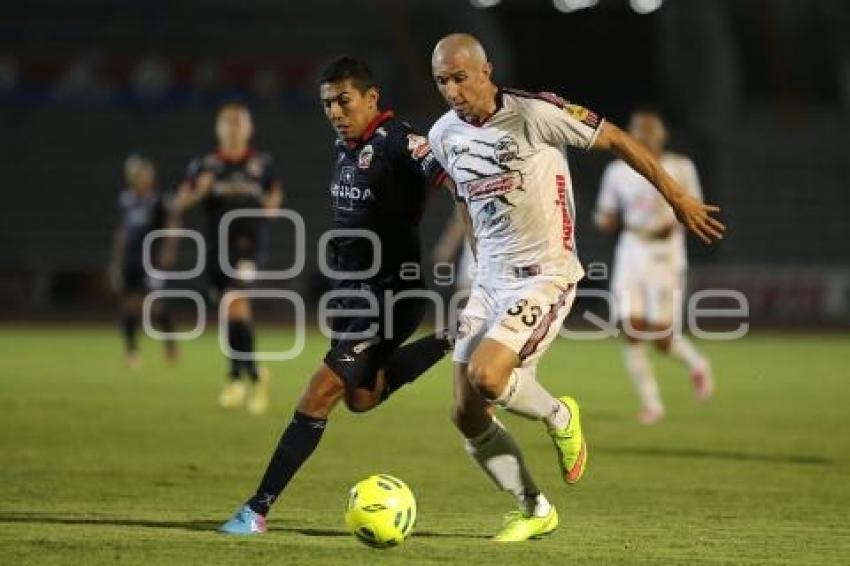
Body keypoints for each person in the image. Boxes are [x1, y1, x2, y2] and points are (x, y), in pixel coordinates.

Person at [427, 33, 724, 542]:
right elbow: (463, 197)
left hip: (547, 275)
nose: (452, 90)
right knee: (465, 414)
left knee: (487, 377)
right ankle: (533, 507)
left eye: (459, 78)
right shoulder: (442, 135)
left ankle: (561, 414)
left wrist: (676, 196)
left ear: (486, 70)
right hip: (490, 281)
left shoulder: (534, 113)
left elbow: (617, 140)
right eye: (441, 82)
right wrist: (478, 260)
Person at [219, 56, 453, 535]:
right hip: (355, 295)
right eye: (327, 103)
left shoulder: (400, 143)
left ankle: (256, 510)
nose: (335, 111)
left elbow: (457, 180)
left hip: (391, 295)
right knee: (361, 399)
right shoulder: (348, 145)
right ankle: (453, 338)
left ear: (371, 98)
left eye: (343, 101)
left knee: (319, 392)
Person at [595, 109, 715, 425]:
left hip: (666, 253)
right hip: (631, 248)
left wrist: (677, 221)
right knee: (630, 328)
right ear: (630, 136)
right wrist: (604, 220)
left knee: (662, 338)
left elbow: (695, 208)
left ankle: (697, 364)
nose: (645, 136)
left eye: (651, 131)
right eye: (638, 131)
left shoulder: (680, 166)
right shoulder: (617, 172)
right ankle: (652, 404)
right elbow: (606, 213)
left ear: (662, 135)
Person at [173, 102, 284, 414]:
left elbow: (275, 193)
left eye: (239, 122)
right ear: (218, 129)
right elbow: (179, 202)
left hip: (249, 245)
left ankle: (236, 377)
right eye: (228, 122)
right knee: (233, 314)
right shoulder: (204, 165)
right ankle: (254, 374)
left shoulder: (261, 164)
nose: (234, 128)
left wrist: (271, 206)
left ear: (249, 129)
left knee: (234, 301)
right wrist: (198, 192)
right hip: (215, 247)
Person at [109, 154, 177, 368]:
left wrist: (167, 251)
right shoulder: (125, 199)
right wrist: (116, 261)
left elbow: (172, 225)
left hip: (151, 258)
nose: (139, 177)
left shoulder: (158, 200)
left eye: (142, 173)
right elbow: (121, 231)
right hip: (130, 258)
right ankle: (131, 351)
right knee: (129, 304)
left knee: (154, 305)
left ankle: (169, 344)